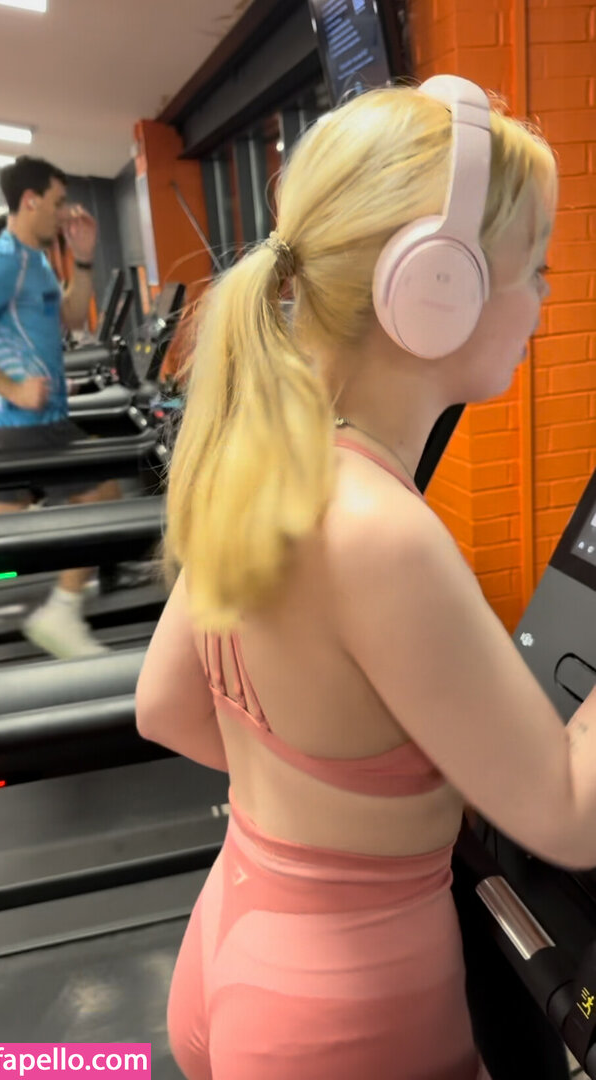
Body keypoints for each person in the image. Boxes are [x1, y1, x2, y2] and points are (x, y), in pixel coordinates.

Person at [135, 75, 589, 1079]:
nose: (545, 300)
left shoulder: (261, 463)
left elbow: (164, 708)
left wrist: (334, 799)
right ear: (436, 291)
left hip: (234, 949)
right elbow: (568, 814)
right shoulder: (384, 531)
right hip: (346, 1018)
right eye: (535, 268)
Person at [0, 156, 119, 659]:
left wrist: (83, 259)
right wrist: (14, 389)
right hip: (28, 421)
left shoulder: (36, 260)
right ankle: (61, 611)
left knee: (5, 524)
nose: (65, 213)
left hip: (30, 422)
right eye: (59, 202)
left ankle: (68, 596)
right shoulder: (5, 261)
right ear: (31, 200)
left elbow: (71, 315)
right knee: (105, 496)